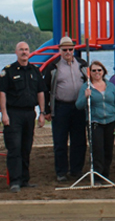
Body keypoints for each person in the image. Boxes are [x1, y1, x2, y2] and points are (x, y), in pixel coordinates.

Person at [0, 42, 46, 193]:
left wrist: (42, 113)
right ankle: (15, 181)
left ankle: (25, 179)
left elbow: (41, 92)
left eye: (26, 50)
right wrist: (3, 113)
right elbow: (2, 93)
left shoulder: (35, 70)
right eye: (21, 50)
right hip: (13, 114)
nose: (24, 52)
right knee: (14, 148)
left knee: (26, 147)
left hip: (30, 113)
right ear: (16, 52)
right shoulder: (8, 71)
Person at [42, 36, 87, 182]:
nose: (68, 52)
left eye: (70, 49)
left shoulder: (82, 64)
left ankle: (76, 170)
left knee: (79, 140)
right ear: (59, 50)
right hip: (61, 107)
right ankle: (61, 171)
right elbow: (45, 89)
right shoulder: (53, 67)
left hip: (79, 107)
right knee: (60, 141)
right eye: (65, 49)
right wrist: (46, 110)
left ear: (74, 49)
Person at [75, 61, 115, 183]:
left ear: (103, 72)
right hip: (95, 122)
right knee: (97, 150)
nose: (97, 73)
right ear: (90, 73)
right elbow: (78, 105)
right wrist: (85, 96)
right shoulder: (86, 86)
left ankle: (105, 174)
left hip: (110, 122)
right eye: (94, 70)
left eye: (99, 70)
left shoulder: (110, 86)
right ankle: (97, 175)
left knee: (108, 149)